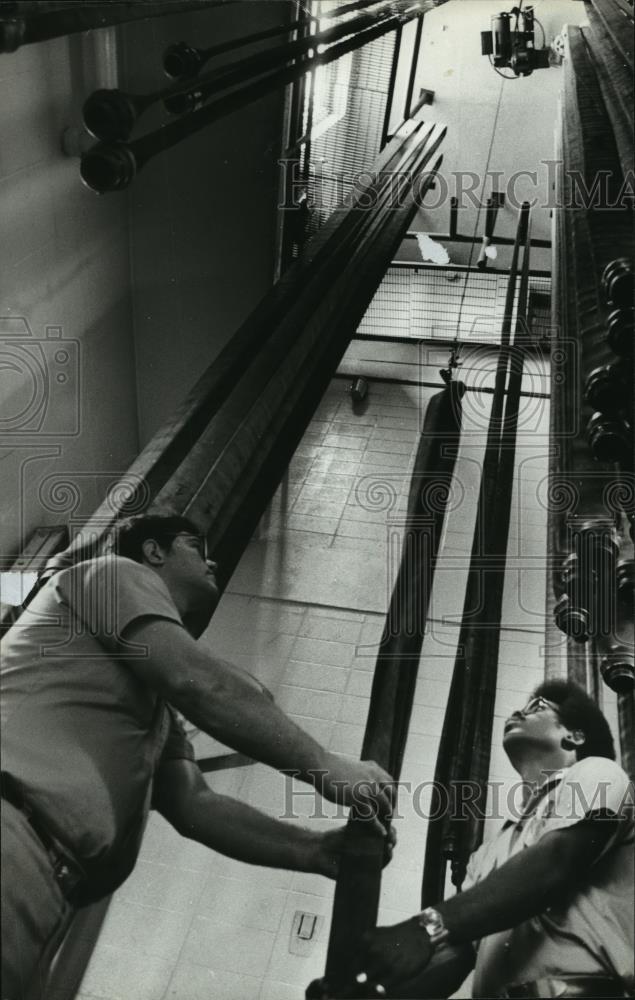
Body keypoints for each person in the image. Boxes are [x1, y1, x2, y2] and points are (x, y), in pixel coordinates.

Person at [1, 513, 394, 1000]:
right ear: (153, 552)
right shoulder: (114, 574)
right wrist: (325, 766)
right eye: (194, 546)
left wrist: (313, 850)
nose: (212, 559)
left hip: (46, 890)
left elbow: (195, 806)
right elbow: (199, 681)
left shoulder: (152, 713)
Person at [357, 680, 634, 999]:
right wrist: (373, 991)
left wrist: (427, 926)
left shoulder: (600, 772)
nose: (519, 711)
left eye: (538, 707)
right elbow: (459, 953)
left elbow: (555, 862)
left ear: (574, 737)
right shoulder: (492, 850)